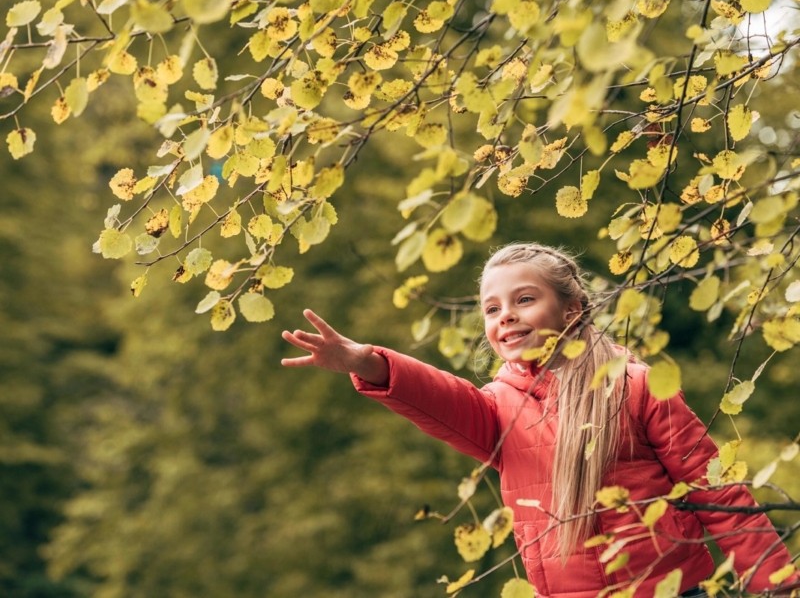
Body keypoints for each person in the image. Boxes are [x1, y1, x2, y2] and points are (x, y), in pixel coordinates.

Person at [281, 242, 798, 597]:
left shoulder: (634, 385)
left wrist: (777, 582)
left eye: (524, 300)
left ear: (572, 309)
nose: (504, 315)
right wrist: (365, 361)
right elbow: (436, 396)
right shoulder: (497, 409)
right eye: (491, 308)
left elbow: (716, 491)